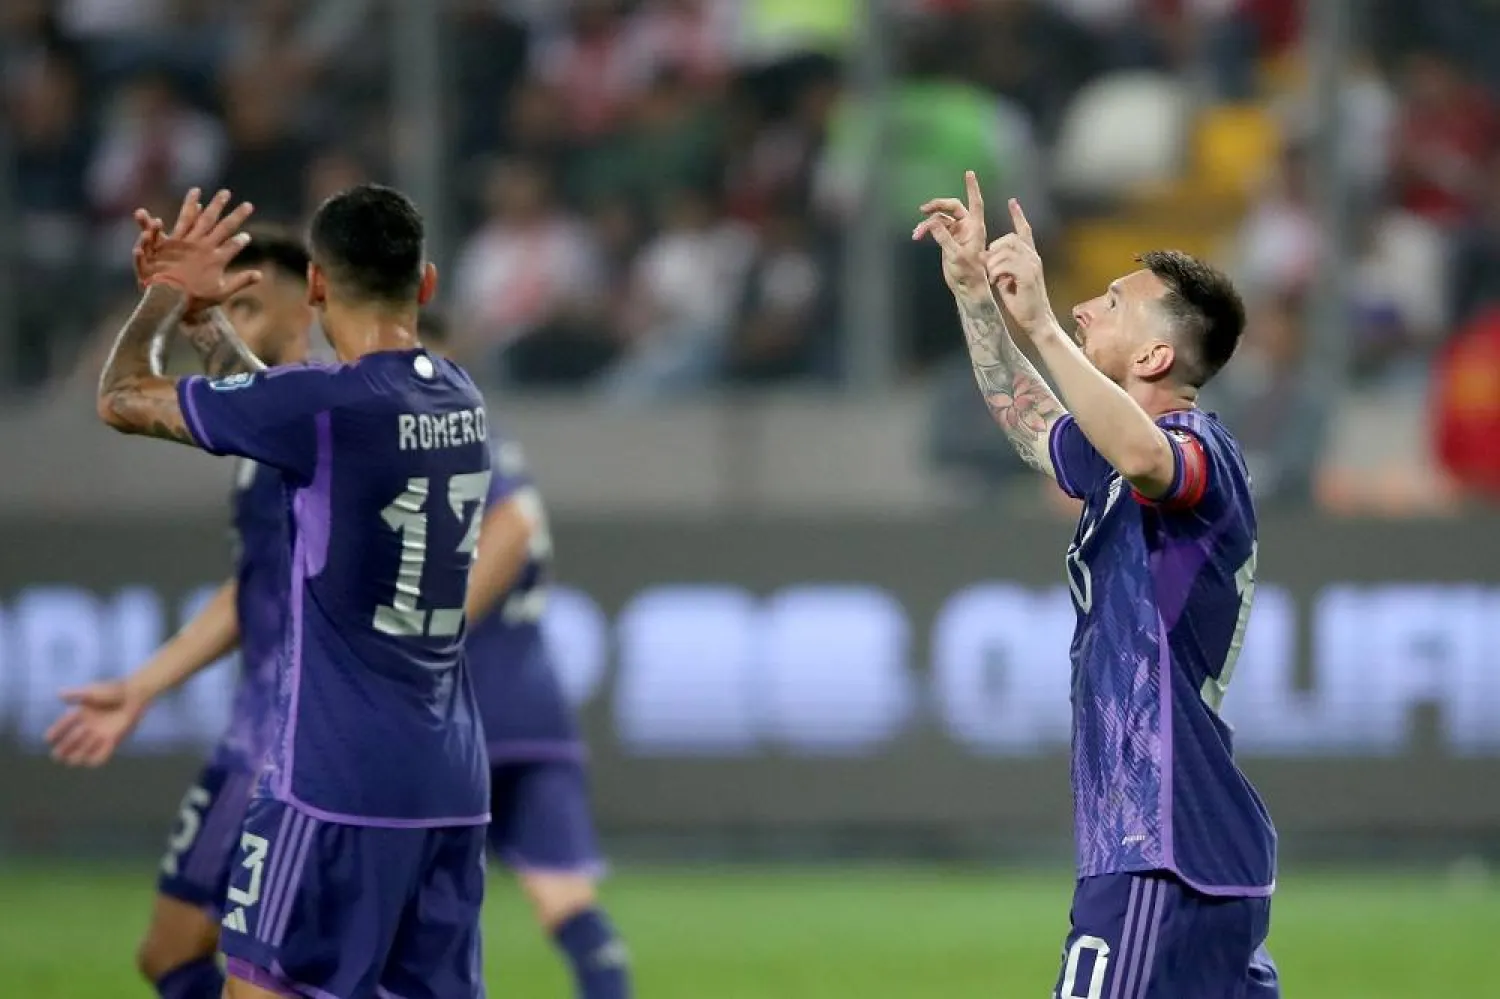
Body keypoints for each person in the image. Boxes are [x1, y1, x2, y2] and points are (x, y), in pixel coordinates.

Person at [92, 184, 492, 999]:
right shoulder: (459, 397)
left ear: (314, 287)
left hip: (333, 781)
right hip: (450, 783)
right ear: (427, 284)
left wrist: (168, 296)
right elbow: (294, 422)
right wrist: (213, 334)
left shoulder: (320, 407)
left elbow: (123, 397)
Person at [914, 172, 1279, 999]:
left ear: (1155, 356)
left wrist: (1038, 320)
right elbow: (1037, 427)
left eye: (1110, 305)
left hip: (1164, 843)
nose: (1083, 309)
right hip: (1171, 845)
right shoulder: (1121, 467)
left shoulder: (1197, 449)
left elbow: (1149, 458)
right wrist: (977, 297)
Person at [47, 214, 314, 999]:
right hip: (252, 732)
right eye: (232, 306)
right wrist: (144, 684)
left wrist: (177, 304)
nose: (236, 324)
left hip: (293, 744)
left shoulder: (315, 425)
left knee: (263, 978)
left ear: (307, 310)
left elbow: (124, 395)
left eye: (253, 307)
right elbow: (254, 590)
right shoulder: (268, 437)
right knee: (171, 953)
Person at [422, 310, 633, 998]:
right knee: (572, 910)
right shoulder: (490, 433)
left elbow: (512, 530)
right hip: (532, 702)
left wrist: (433, 632)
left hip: (449, 706)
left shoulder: (427, 436)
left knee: (406, 917)